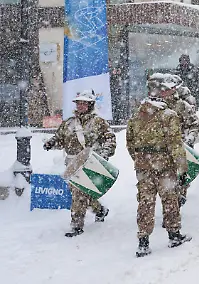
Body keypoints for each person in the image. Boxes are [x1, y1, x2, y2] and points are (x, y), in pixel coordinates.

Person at [126, 77, 190, 257]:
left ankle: (143, 241)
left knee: (145, 203)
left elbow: (130, 144)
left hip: (143, 168)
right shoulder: (169, 115)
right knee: (170, 199)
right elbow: (175, 144)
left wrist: (142, 159)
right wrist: (182, 169)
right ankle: (174, 235)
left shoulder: (137, 116)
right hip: (165, 167)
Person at [43, 90, 116, 237]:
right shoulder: (69, 123)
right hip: (73, 165)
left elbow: (110, 139)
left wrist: (104, 154)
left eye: (84, 103)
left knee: (79, 193)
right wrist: (51, 143)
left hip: (91, 163)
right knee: (83, 193)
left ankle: (76, 225)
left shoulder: (99, 122)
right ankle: (100, 210)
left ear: (91, 105)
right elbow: (60, 138)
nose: (81, 106)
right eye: (79, 103)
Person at [154, 73, 199, 206]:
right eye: (163, 89)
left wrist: (190, 138)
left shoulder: (182, 105)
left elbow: (194, 124)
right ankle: (171, 203)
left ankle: (178, 199)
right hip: (162, 149)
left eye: (168, 89)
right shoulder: (156, 106)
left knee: (181, 177)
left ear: (174, 89)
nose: (165, 91)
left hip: (181, 146)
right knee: (164, 179)